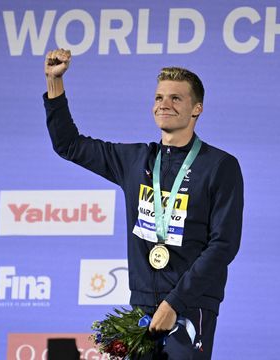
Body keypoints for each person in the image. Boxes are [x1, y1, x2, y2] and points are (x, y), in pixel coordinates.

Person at [43, 49, 244, 359]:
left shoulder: (220, 166)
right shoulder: (135, 161)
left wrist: (175, 302)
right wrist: (54, 84)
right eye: (160, 97)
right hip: (141, 307)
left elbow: (224, 245)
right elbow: (69, 145)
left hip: (191, 304)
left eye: (176, 98)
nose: (165, 103)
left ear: (197, 109)